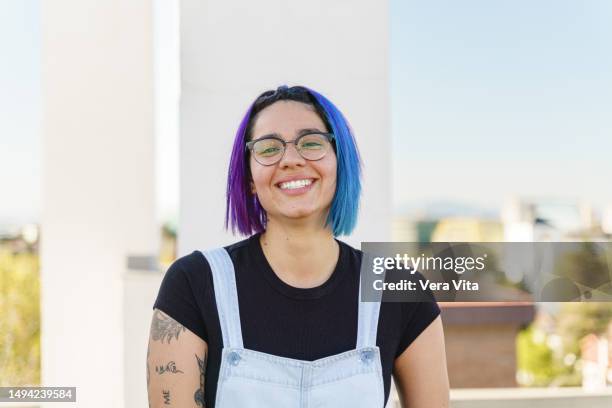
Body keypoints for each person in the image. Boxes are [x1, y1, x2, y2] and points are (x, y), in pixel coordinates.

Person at [147, 85, 449, 407]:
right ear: (249, 176)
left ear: (339, 162)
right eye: (268, 148)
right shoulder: (193, 284)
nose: (291, 159)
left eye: (312, 143)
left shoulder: (399, 290)